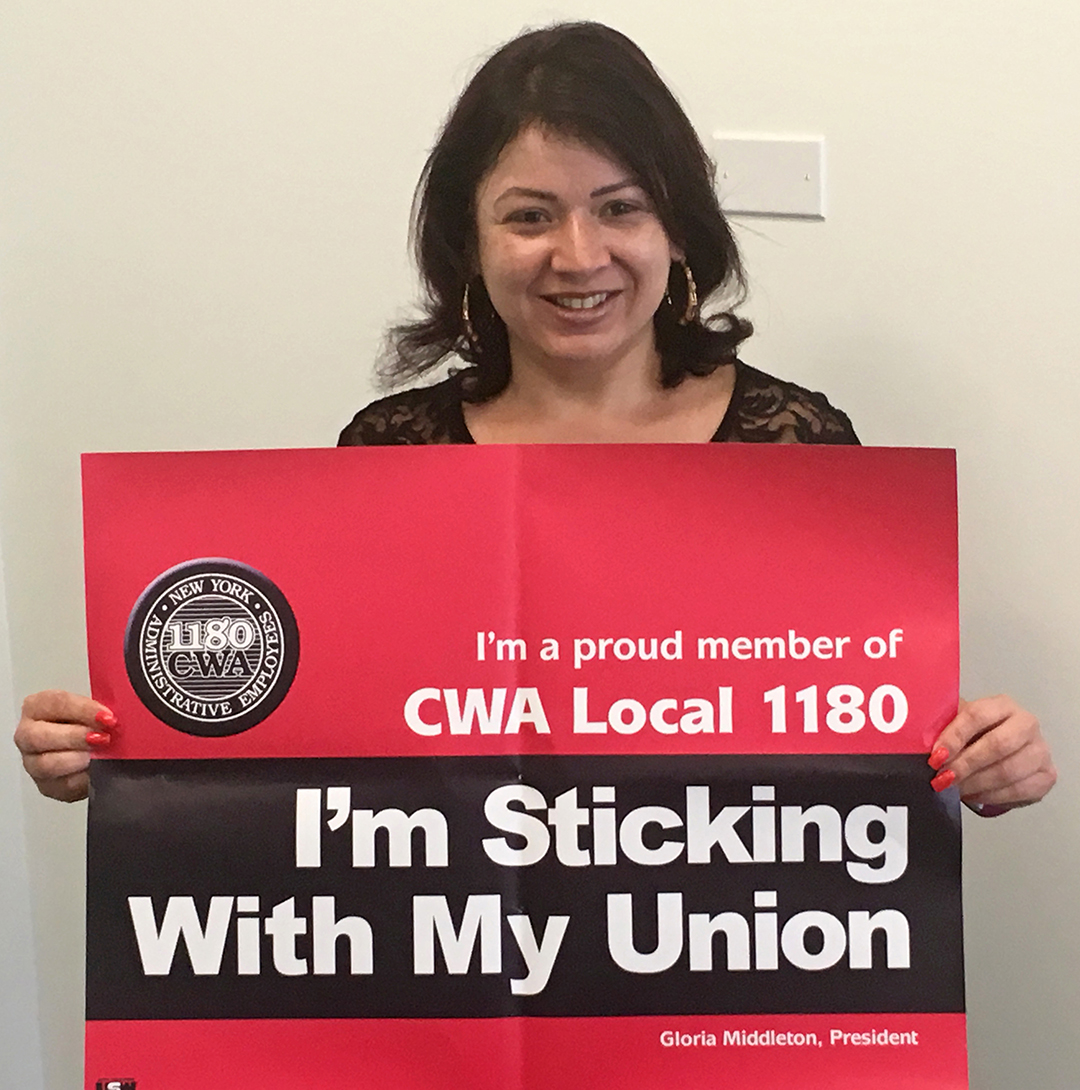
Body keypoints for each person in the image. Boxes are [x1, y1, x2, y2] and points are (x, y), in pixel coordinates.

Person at [15, 22, 1055, 813]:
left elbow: (872, 743)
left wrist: (982, 758)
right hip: (453, 969)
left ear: (679, 229)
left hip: (724, 977)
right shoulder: (388, 456)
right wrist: (138, 754)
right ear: (467, 243)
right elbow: (312, 748)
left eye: (620, 206)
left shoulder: (802, 453)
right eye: (528, 216)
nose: (578, 255)